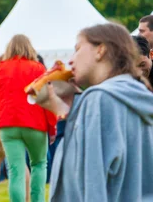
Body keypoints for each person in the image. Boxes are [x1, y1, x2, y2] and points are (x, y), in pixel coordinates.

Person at [40, 23, 153, 201]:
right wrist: (67, 113)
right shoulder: (138, 97)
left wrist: (62, 117)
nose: (71, 60)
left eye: (78, 49)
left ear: (100, 50)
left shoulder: (99, 99)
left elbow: (87, 182)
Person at [0, 35, 56, 202]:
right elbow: (47, 100)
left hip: (7, 125)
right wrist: (52, 128)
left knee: (16, 170)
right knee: (39, 164)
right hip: (35, 124)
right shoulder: (38, 68)